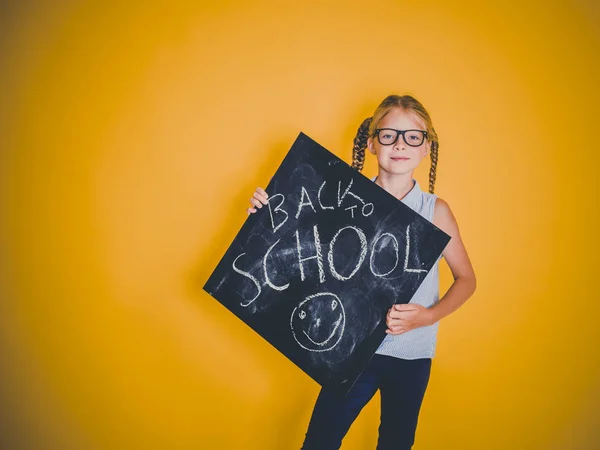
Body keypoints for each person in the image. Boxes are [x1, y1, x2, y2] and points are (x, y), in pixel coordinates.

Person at [246, 94, 477, 449]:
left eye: (412, 136)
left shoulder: (435, 211)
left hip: (411, 355)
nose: (400, 144)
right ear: (371, 143)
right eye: (388, 135)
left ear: (425, 147)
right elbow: (303, 245)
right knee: (321, 440)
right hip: (352, 351)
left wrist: (429, 316)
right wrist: (269, 211)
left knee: (397, 442)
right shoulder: (342, 198)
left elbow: (467, 279)